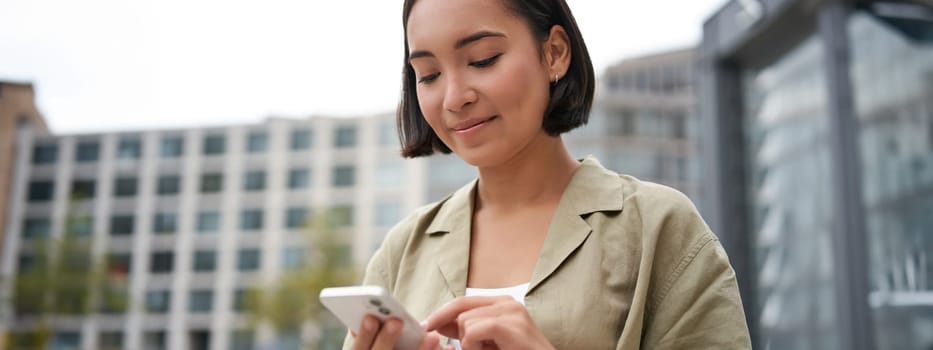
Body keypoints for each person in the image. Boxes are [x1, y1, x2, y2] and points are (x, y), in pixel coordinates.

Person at [345, 0, 752, 349]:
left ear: (555, 52)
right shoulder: (402, 252)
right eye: (429, 75)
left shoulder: (658, 227)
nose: (454, 98)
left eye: (483, 59)